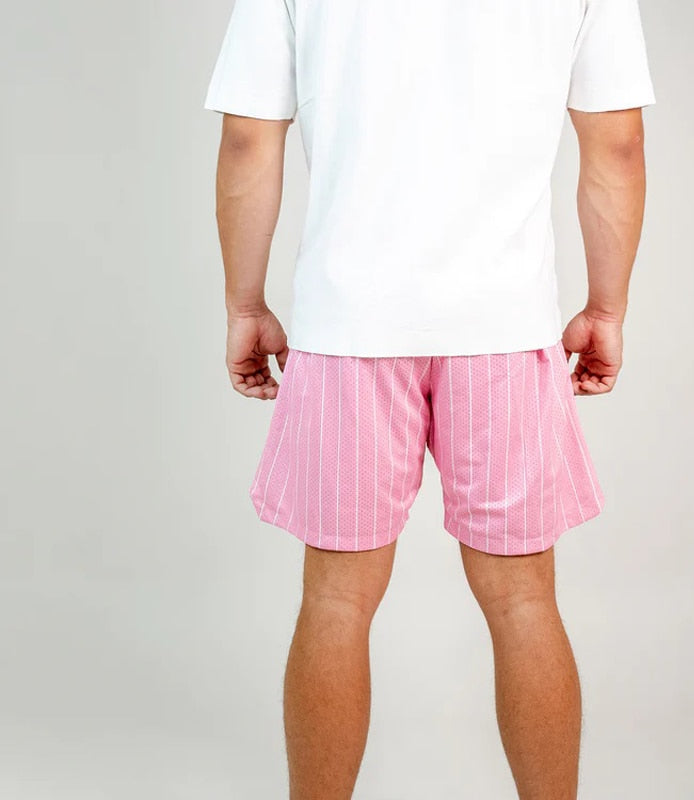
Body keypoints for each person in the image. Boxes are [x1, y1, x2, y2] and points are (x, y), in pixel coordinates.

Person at [204, 0, 654, 796]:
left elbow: (247, 138)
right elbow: (616, 143)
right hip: (504, 327)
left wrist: (246, 303)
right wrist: (607, 307)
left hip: (349, 326)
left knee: (336, 602)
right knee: (523, 602)